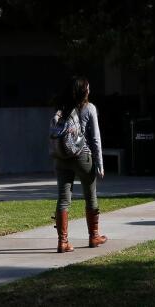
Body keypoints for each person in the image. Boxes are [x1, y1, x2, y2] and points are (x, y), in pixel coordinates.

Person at [51, 76, 107, 253]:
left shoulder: (63, 108)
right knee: (90, 196)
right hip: (83, 157)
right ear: (84, 91)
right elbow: (96, 138)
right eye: (88, 88)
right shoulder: (89, 108)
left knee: (63, 199)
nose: (90, 90)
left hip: (61, 158)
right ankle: (94, 236)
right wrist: (100, 163)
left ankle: (62, 241)